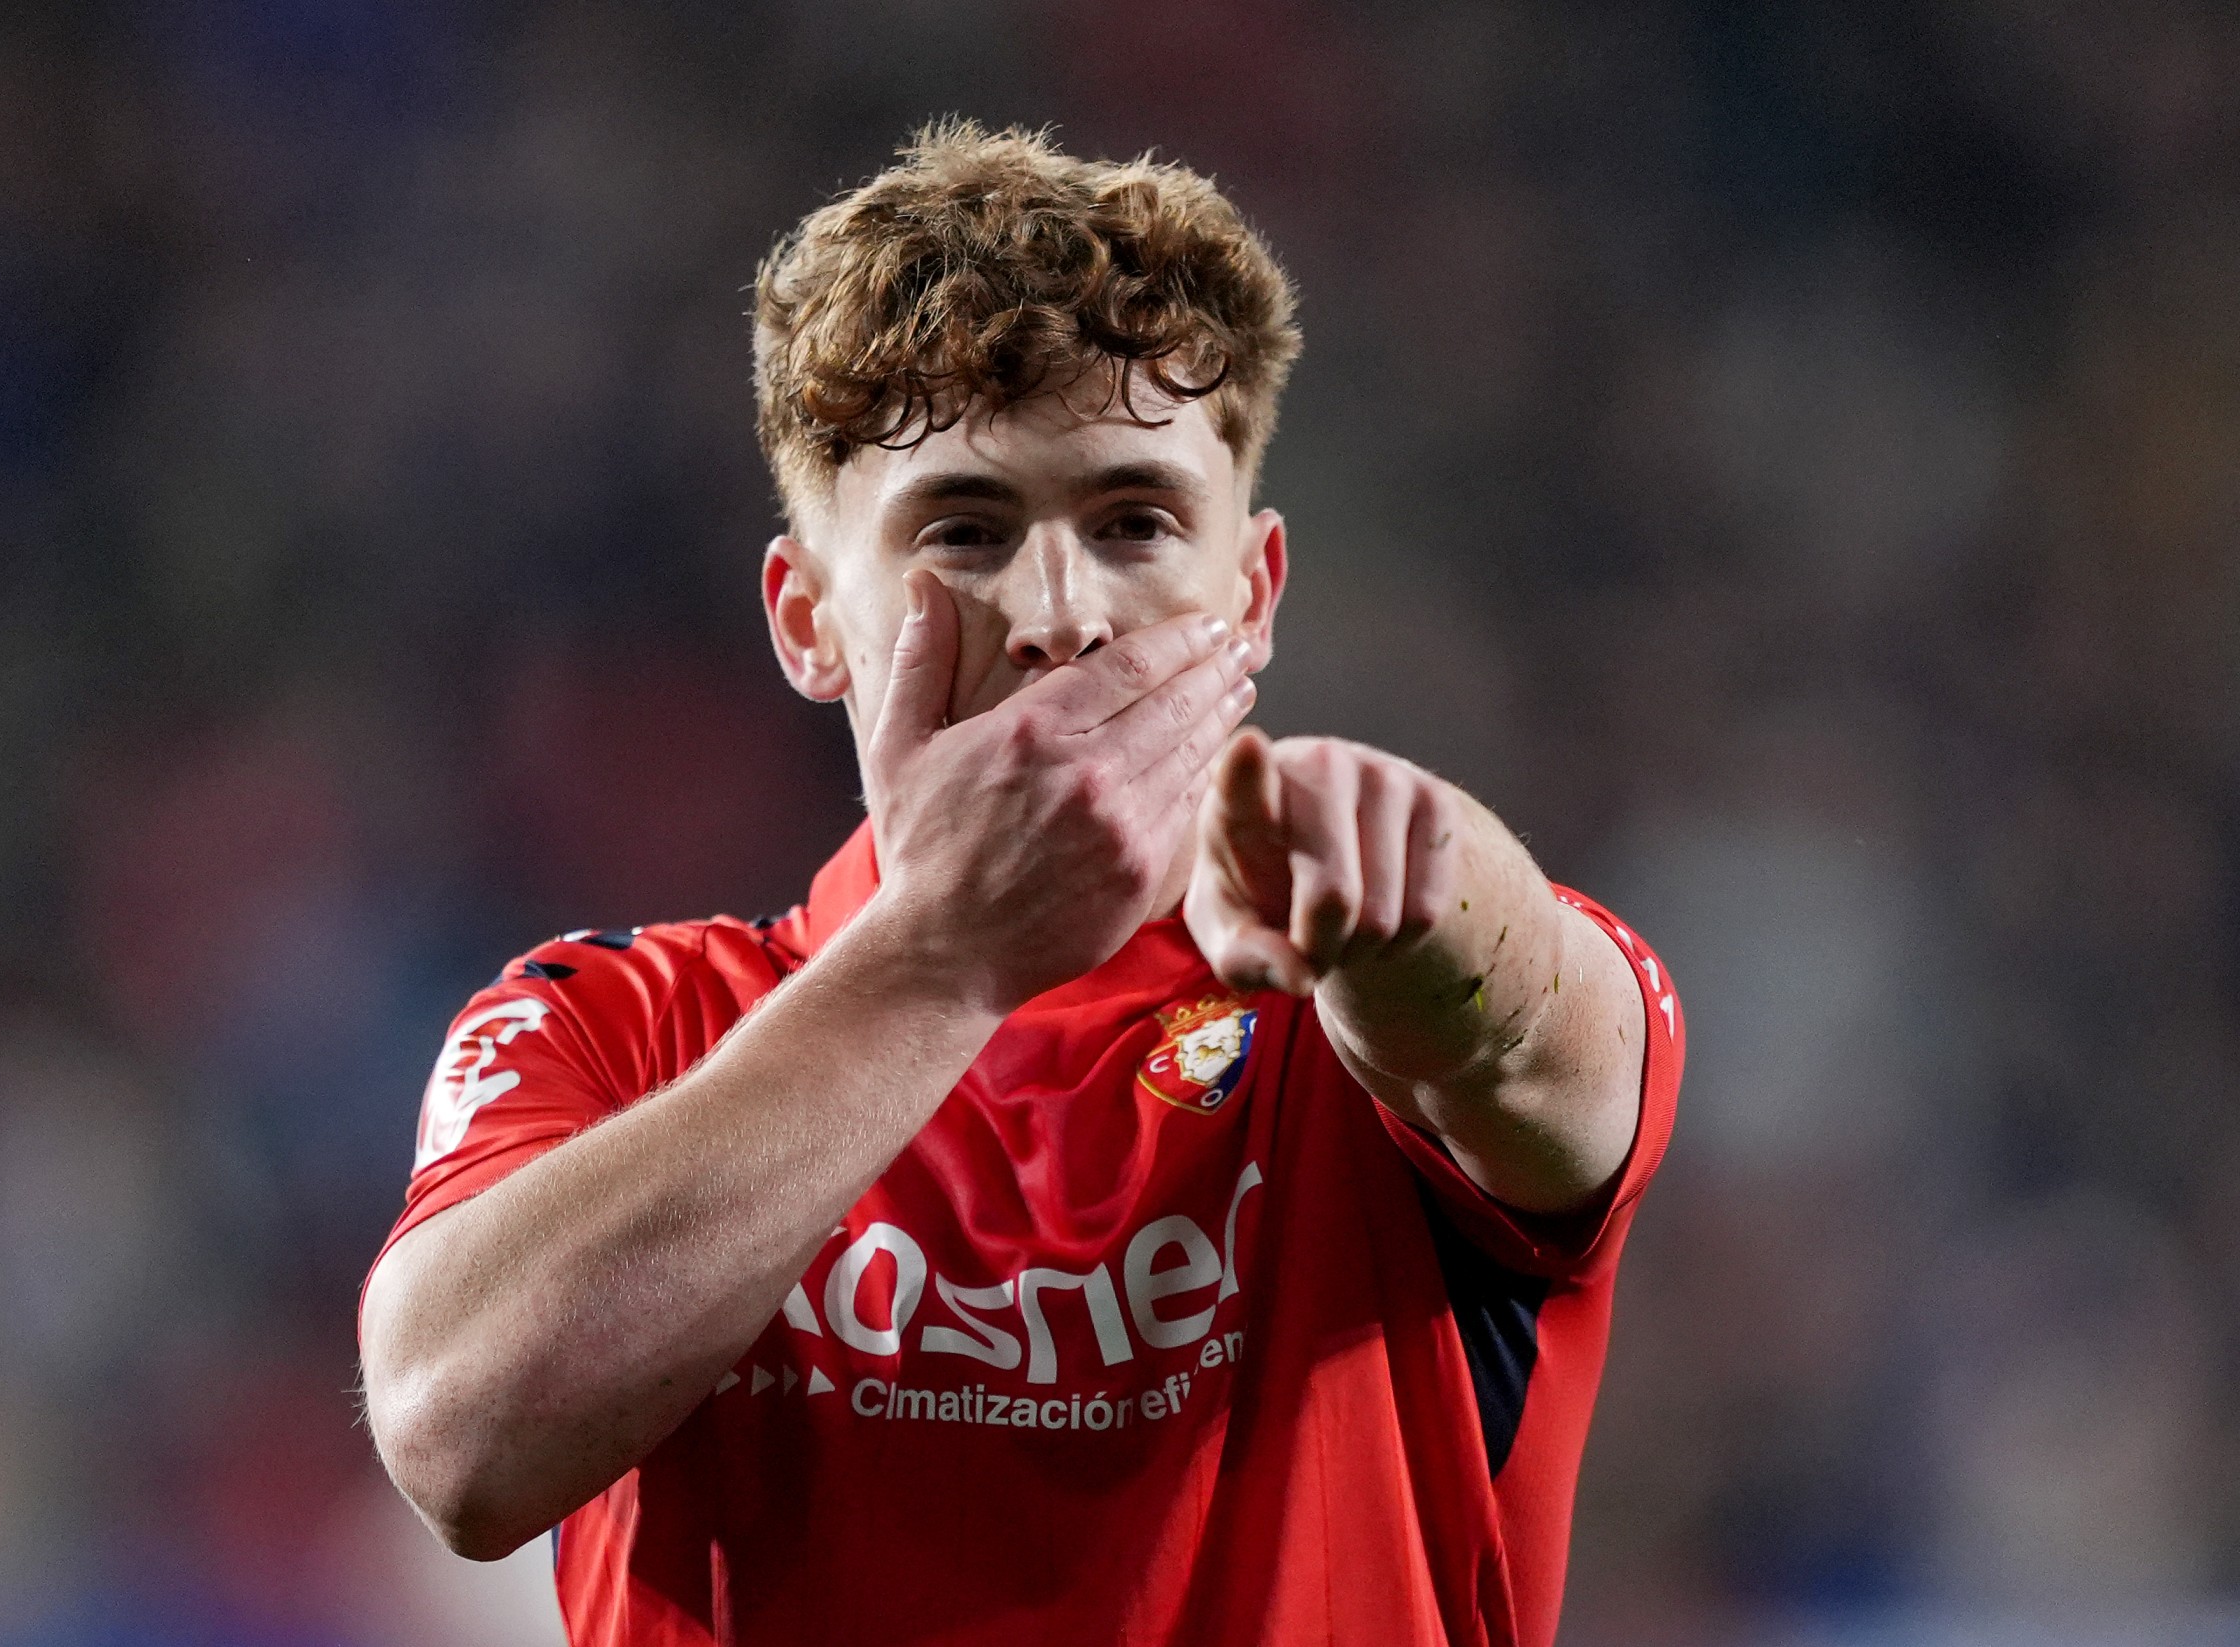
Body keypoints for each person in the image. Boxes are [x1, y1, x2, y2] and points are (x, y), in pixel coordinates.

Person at [358, 120, 1682, 1647]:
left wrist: (1430, 894)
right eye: (965, 531)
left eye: (1133, 522)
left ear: (1251, 594)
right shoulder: (613, 1023)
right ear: (809, 624)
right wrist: (947, 956)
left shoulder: (1349, 1005)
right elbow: (461, 1442)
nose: (1058, 614)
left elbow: (1545, 1038)